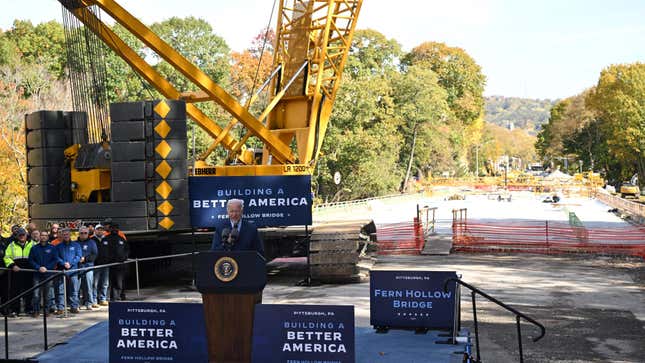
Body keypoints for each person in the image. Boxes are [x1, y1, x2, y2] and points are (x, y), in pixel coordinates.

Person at [28, 230, 61, 317]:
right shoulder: (34, 248)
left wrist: (47, 268)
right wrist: (38, 267)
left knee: (48, 294)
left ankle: (47, 311)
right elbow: (31, 260)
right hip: (37, 274)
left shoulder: (52, 248)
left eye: (45, 235)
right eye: (42, 235)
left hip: (48, 273)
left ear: (47, 237)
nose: (43, 237)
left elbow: (55, 259)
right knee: (36, 294)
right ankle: (36, 311)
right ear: (39, 237)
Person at [3, 228, 34, 316]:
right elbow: (7, 257)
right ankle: (15, 310)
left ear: (26, 235)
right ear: (17, 236)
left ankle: (29, 309)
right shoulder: (11, 245)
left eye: (23, 235)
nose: (21, 236)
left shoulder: (32, 244)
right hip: (16, 271)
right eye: (20, 235)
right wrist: (12, 265)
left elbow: (37, 255)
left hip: (29, 270)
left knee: (29, 291)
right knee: (15, 291)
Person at [55, 229, 82, 314]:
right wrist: (63, 263)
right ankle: (61, 307)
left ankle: (74, 306)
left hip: (73, 270)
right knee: (61, 290)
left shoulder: (76, 245)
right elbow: (56, 257)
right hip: (62, 270)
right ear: (62, 236)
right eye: (64, 234)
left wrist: (71, 263)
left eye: (67, 234)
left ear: (70, 235)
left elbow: (79, 256)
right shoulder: (58, 246)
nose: (66, 236)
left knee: (74, 289)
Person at [106, 223, 129, 301]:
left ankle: (121, 296)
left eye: (116, 228)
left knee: (120, 282)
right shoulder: (106, 239)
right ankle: (113, 297)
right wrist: (109, 259)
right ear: (110, 229)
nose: (114, 230)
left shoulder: (121, 238)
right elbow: (104, 251)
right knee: (111, 282)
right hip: (111, 264)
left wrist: (124, 258)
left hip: (121, 264)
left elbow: (127, 249)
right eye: (113, 228)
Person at [77, 226, 98, 310]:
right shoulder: (75, 243)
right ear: (79, 233)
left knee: (89, 286)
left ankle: (89, 303)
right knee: (77, 287)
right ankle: (77, 303)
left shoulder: (92, 242)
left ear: (88, 233)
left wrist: (85, 259)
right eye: (81, 233)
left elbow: (95, 254)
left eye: (85, 233)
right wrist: (78, 259)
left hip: (88, 267)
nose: (83, 234)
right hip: (77, 267)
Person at [92, 225, 110, 306]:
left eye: (101, 230)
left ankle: (103, 299)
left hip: (105, 265)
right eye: (98, 230)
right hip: (95, 265)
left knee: (105, 283)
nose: (100, 231)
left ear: (103, 231)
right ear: (95, 231)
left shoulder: (107, 239)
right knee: (95, 284)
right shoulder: (92, 240)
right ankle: (94, 300)